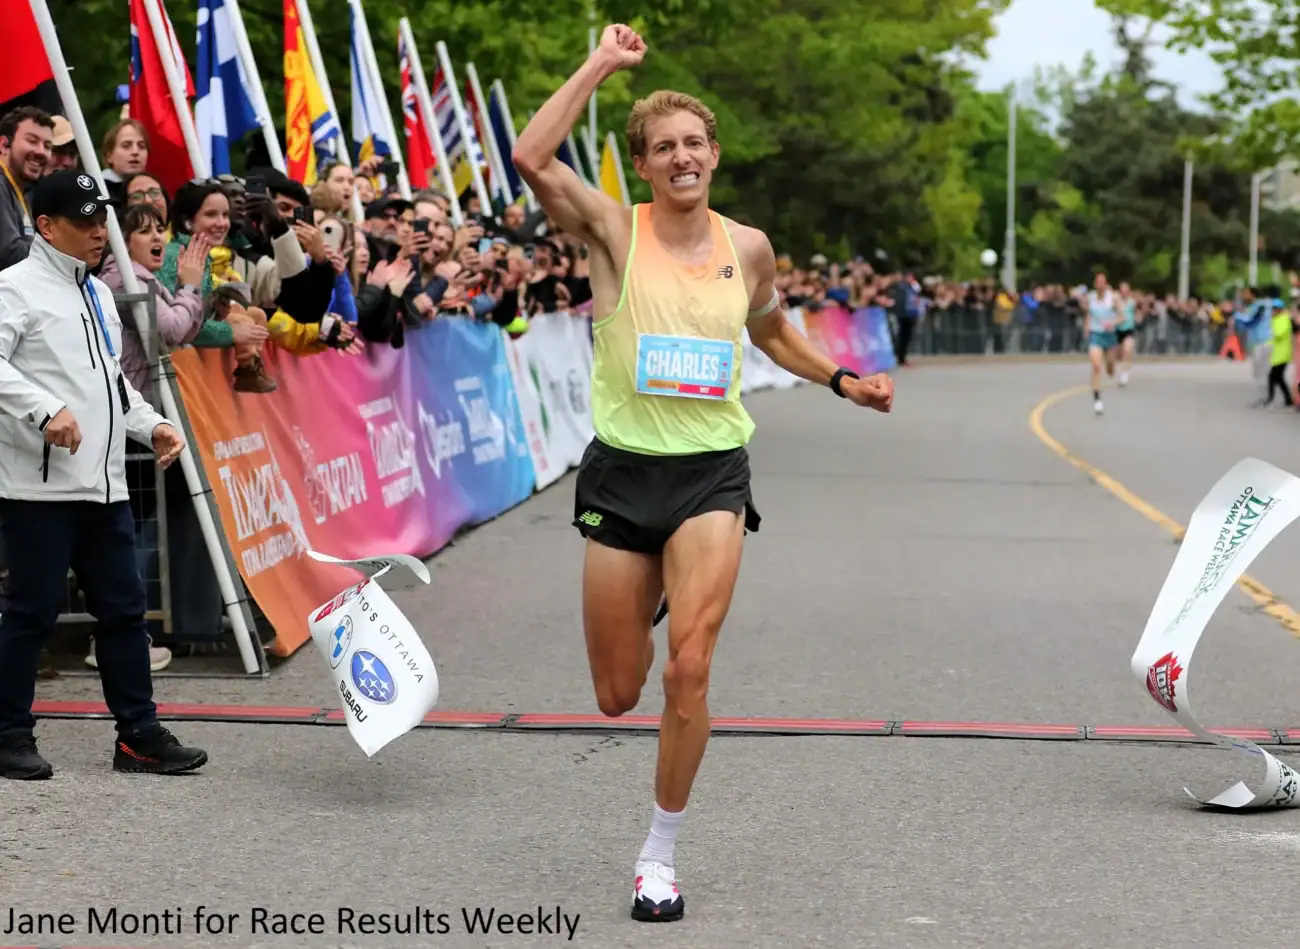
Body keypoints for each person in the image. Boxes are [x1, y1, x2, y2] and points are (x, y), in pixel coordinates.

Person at [512, 23, 894, 923]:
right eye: (664, 147)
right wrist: (602, 63)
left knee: (690, 666)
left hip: (711, 475)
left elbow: (770, 329)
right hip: (623, 474)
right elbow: (531, 155)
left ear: (714, 155)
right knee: (618, 694)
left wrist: (841, 379)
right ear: (643, 164)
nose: (682, 157)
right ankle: (648, 596)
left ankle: (659, 854)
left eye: (694, 143)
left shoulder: (747, 246)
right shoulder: (613, 228)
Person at [0, 169, 208, 780]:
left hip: (106, 485)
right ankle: (8, 735)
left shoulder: (94, 290)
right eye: (85, 220)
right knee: (30, 615)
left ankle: (139, 737)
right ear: (46, 226)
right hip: (38, 489)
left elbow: (110, 382)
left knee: (124, 612)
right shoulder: (14, 288)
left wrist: (151, 425)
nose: (99, 231)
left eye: (103, 218)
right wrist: (44, 410)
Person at [1085, 272, 1120, 415]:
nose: (1100, 284)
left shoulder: (1113, 297)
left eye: (1102, 282)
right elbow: (1089, 314)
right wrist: (1087, 327)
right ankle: (1097, 399)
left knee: (1110, 367)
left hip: (1109, 336)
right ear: (1095, 284)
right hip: (1096, 334)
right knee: (1096, 367)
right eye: (1098, 282)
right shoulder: (1091, 297)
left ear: (1106, 284)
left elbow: (1122, 316)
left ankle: (1111, 366)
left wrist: (1113, 322)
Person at [1115, 281, 1137, 387]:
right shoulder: (1116, 302)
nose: (1124, 293)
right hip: (1118, 330)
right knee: (1119, 355)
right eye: (1122, 291)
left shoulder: (1132, 302)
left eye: (1126, 291)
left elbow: (1137, 312)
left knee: (1127, 351)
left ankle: (1124, 374)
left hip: (1128, 330)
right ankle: (1122, 368)